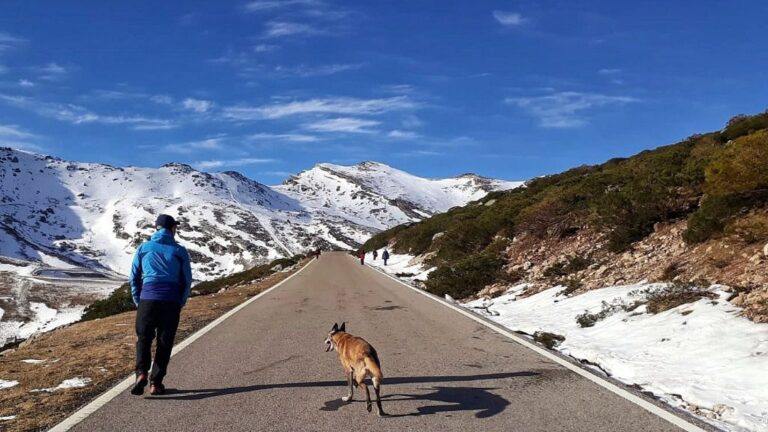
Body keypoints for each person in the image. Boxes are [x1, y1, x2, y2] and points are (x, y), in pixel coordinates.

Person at [129, 214, 192, 396]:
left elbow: (134, 277)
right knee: (165, 342)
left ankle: (141, 373)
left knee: (144, 338)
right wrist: (180, 301)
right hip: (171, 301)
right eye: (175, 228)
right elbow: (187, 280)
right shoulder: (179, 251)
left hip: (147, 299)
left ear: (156, 228)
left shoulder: (143, 248)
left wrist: (138, 299)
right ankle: (155, 383)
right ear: (172, 229)